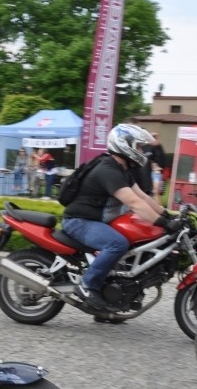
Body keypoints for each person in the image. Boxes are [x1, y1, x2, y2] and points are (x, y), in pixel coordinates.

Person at [61, 123, 181, 313]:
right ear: (125, 145)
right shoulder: (108, 171)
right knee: (117, 244)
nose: (141, 151)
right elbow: (134, 202)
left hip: (96, 221)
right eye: (139, 146)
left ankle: (112, 296)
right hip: (79, 222)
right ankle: (86, 285)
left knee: (132, 242)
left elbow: (143, 196)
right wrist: (163, 223)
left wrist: (167, 215)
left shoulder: (121, 170)